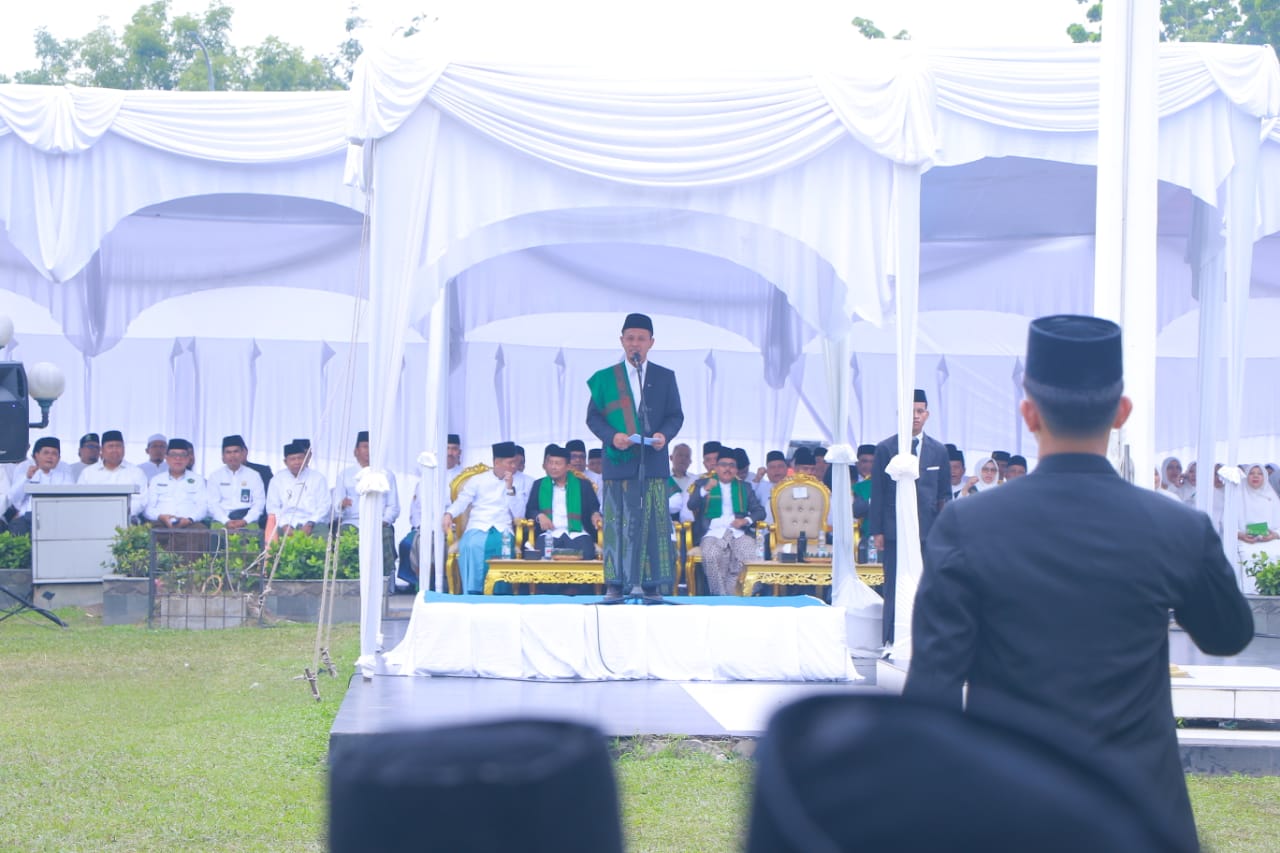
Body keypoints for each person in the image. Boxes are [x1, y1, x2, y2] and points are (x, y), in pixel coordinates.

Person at [905, 314, 1253, 851]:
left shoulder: (968, 525)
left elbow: (934, 687)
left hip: (1006, 814)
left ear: (1028, 413)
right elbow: (1228, 634)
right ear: (1122, 413)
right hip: (1142, 816)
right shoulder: (1177, 527)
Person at [586, 312, 683, 603]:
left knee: (653, 522)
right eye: (630, 338)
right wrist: (612, 436)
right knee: (617, 524)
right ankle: (615, 584)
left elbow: (675, 416)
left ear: (651, 343)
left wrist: (665, 436)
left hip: (652, 461)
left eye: (641, 338)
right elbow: (593, 418)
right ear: (621, 341)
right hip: (617, 462)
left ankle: (652, 586)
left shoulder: (665, 377)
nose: (635, 344)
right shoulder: (606, 379)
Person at [867, 388, 951, 647]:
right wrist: (877, 531)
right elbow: (878, 491)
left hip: (929, 530)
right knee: (893, 584)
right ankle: (891, 640)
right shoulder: (885, 448)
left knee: (928, 585)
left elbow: (944, 494)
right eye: (910, 412)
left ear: (927, 414)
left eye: (920, 411)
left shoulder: (939, 451)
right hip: (894, 529)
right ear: (900, 414)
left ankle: (925, 639)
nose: (915, 417)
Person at [442, 442, 525, 595]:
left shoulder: (518, 482)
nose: (514, 466)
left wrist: (510, 488)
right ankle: (474, 593)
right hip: (478, 525)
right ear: (497, 462)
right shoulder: (477, 480)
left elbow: (519, 514)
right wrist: (449, 514)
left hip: (502, 528)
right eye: (510, 462)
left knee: (502, 548)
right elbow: (462, 501)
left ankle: (499, 595)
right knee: (471, 545)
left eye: (515, 462)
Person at [686, 448, 766, 595]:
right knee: (711, 554)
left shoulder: (744, 487)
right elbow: (692, 505)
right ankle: (720, 597)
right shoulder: (702, 483)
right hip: (712, 533)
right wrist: (705, 490)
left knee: (749, 553)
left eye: (732, 465)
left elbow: (760, 511)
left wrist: (745, 520)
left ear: (736, 469)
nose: (727, 468)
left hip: (738, 533)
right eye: (723, 464)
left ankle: (736, 593)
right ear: (716, 467)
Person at [334, 431, 400, 572]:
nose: (368, 451)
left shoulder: (386, 474)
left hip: (378, 523)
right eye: (365, 446)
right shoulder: (345, 475)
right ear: (356, 451)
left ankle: (386, 581)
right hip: (353, 522)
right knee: (345, 536)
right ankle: (348, 579)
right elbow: (336, 506)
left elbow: (393, 506)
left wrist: (383, 521)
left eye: (372, 447)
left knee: (386, 534)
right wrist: (341, 504)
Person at [525, 444, 602, 560]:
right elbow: (530, 510)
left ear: (568, 467)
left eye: (558, 464)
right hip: (549, 534)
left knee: (586, 554)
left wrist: (595, 514)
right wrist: (539, 516)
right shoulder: (539, 485)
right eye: (550, 463)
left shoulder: (583, 485)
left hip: (578, 533)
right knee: (541, 556)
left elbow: (594, 508)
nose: (553, 467)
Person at [7, 437, 74, 535]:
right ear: (36, 456)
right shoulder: (26, 473)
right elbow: (13, 498)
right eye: (46, 453)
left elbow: (69, 501)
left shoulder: (65, 477)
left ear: (59, 458)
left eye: (54, 454)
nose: (50, 457)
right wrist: (27, 478)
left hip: (56, 519)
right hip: (27, 519)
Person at [143, 439, 209, 537]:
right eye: (173, 455)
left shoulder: (198, 480)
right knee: (148, 531)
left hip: (190, 524)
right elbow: (147, 507)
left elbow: (203, 507)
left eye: (182, 455)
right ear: (166, 458)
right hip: (161, 523)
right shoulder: (156, 480)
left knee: (200, 531)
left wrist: (190, 519)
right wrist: (161, 517)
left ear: (188, 458)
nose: (178, 458)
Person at [79, 430, 150, 520]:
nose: (115, 450)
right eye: (110, 446)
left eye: (118, 446)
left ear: (124, 449)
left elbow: (141, 500)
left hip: (127, 521)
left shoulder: (137, 472)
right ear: (102, 450)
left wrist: (119, 513)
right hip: (94, 519)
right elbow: (82, 499)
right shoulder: (88, 473)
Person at [266, 441, 330, 538]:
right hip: (285, 523)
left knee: (323, 536)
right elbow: (272, 507)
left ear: (305, 458)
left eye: (300, 458)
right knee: (271, 538)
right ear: (285, 462)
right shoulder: (277, 479)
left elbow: (325, 505)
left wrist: (310, 523)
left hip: (313, 523)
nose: (297, 462)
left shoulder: (318, 478)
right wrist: (284, 525)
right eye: (292, 459)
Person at [205, 434, 266, 530]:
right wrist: (226, 521)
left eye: (236, 451)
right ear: (223, 456)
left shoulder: (254, 476)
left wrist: (246, 520)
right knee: (217, 539)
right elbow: (212, 504)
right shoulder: (215, 476)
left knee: (252, 536)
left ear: (242, 454)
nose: (232, 455)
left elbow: (259, 503)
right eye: (228, 452)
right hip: (221, 521)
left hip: (247, 521)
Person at [1237, 463, 1280, 594]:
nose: (1256, 476)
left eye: (1260, 473)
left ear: (1265, 477)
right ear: (1246, 476)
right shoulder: (1238, 496)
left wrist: (1274, 535)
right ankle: (1250, 596)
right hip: (1245, 542)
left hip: (1270, 541)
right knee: (1247, 557)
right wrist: (1241, 535)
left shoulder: (1272, 497)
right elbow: (1226, 523)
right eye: (1252, 473)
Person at [755, 450, 789, 525]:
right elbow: (749, 500)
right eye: (772, 467)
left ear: (786, 468)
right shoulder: (761, 486)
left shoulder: (794, 486)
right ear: (766, 471)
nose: (776, 470)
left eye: (780, 466)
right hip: (766, 531)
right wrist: (757, 478)